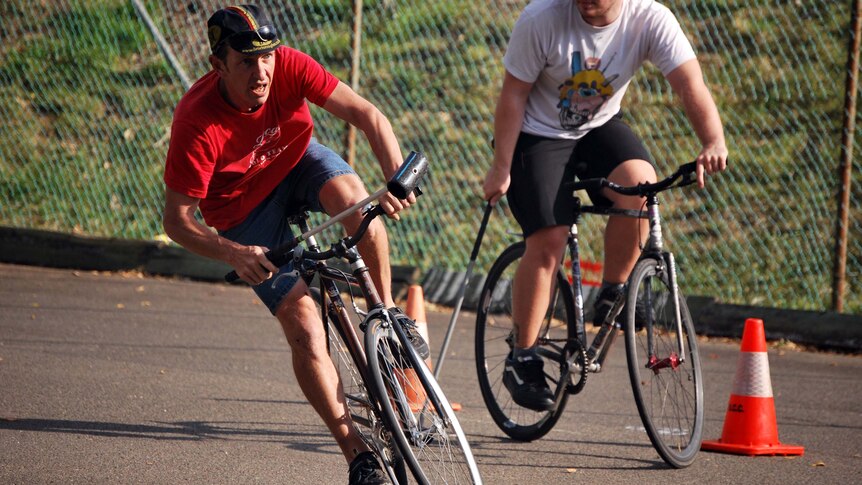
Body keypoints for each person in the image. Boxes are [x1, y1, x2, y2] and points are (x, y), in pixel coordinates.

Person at [162, 5, 427, 484]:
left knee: (355, 202)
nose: (261, 71)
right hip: (241, 213)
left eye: (266, 57)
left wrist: (394, 179)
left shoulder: (288, 66)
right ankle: (358, 454)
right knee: (303, 322)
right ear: (218, 65)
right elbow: (177, 221)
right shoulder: (197, 121)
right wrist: (231, 251)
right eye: (246, 61)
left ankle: (389, 318)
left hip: (295, 161)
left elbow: (367, 114)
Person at [482, 0, 728, 412]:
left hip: (597, 128)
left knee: (641, 185)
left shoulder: (650, 18)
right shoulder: (541, 18)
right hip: (535, 135)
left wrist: (712, 140)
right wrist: (501, 167)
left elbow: (690, 83)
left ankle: (614, 291)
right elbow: (513, 94)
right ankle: (522, 356)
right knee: (550, 239)